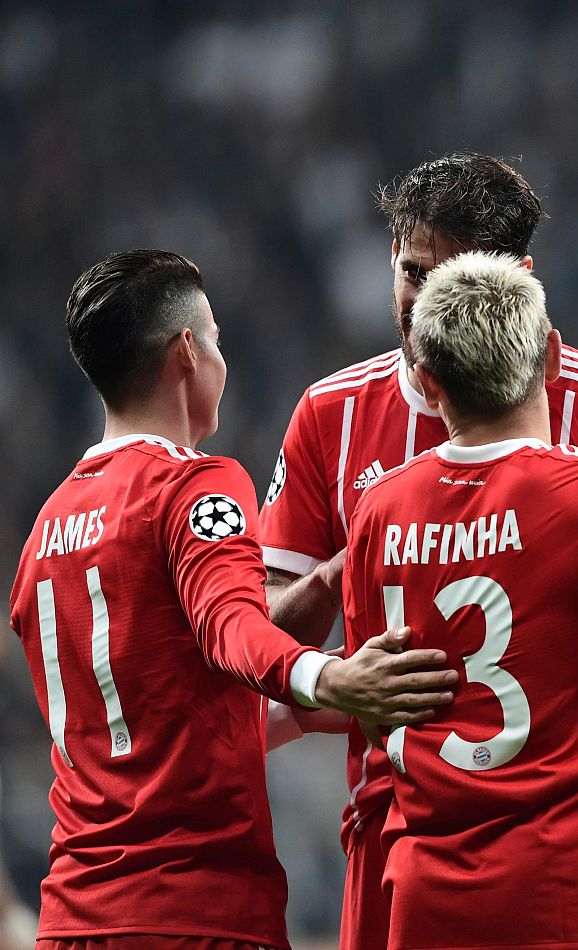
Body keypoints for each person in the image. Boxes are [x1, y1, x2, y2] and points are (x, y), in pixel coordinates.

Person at [257, 152, 578, 949]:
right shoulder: (331, 413)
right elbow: (259, 639)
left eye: (454, 275)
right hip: (391, 822)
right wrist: (339, 595)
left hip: (544, 817)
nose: (426, 301)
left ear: (520, 280)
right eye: (411, 271)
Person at [7, 250, 458, 950]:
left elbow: (174, 709)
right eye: (216, 339)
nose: (223, 358)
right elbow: (231, 628)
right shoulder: (192, 486)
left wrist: (327, 588)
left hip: (72, 917)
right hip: (195, 910)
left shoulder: (46, 530)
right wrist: (331, 675)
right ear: (188, 352)